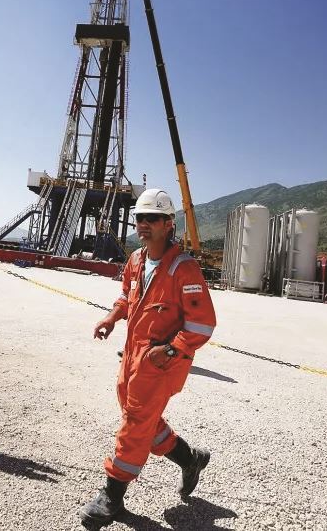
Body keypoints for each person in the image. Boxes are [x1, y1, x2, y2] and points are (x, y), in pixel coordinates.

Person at [79, 188, 217, 529]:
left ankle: (112, 494)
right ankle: (190, 459)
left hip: (162, 362)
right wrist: (112, 317)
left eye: (152, 218)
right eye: (140, 217)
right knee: (139, 415)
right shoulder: (136, 260)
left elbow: (202, 324)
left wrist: (170, 350)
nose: (144, 223)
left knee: (136, 420)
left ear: (169, 223)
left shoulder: (184, 269)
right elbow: (126, 296)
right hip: (133, 354)